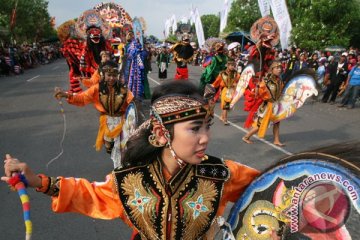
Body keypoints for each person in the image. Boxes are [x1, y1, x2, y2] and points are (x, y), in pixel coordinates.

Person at [2, 81, 259, 239]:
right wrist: (37, 181)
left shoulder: (221, 175)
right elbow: (89, 194)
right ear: (161, 134)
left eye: (207, 127)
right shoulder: (129, 181)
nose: (205, 138)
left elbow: (273, 187)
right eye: (195, 129)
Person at [54, 60, 134, 168]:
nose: (111, 78)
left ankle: (121, 170)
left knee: (123, 148)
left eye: (114, 75)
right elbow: (82, 98)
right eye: (109, 75)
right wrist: (66, 95)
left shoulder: (124, 89)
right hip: (106, 123)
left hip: (123, 123)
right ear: (103, 75)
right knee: (110, 148)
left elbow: (132, 103)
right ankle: (118, 166)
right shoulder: (96, 89)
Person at [242, 60, 284, 146]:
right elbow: (260, 93)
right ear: (272, 69)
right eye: (277, 68)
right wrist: (258, 88)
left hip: (276, 105)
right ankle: (246, 137)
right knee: (260, 124)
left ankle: (276, 140)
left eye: (280, 68)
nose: (279, 69)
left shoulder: (279, 80)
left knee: (277, 123)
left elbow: (280, 92)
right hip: (267, 106)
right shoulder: (266, 80)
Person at [211, 59, 240, 125]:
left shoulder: (236, 73)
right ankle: (225, 120)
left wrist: (236, 84)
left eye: (234, 65)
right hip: (225, 90)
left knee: (227, 106)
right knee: (226, 106)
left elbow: (239, 80)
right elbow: (217, 81)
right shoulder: (222, 73)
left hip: (232, 91)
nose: (233, 67)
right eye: (231, 65)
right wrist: (212, 85)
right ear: (227, 65)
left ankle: (222, 116)